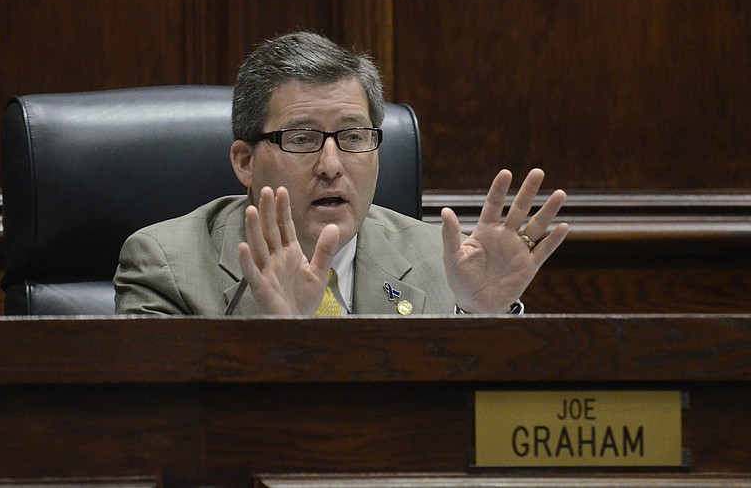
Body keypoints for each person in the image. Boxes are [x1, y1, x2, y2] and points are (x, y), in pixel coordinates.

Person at [113, 31, 569, 316]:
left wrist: (481, 319)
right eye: (302, 138)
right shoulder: (165, 264)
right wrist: (278, 338)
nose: (331, 165)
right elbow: (154, 432)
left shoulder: (440, 261)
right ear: (245, 162)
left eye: (352, 138)